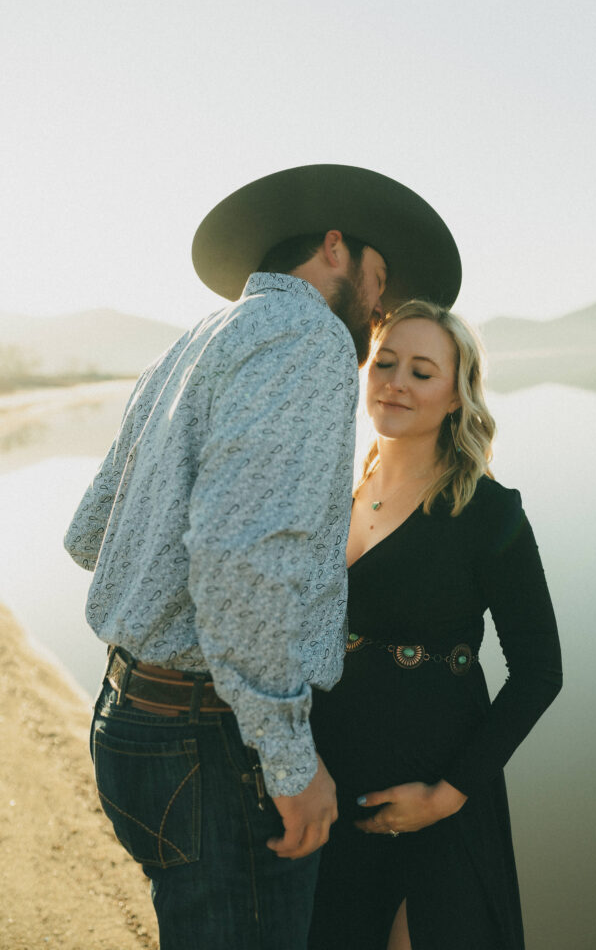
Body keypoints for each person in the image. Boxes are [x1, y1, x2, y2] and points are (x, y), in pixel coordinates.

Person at [63, 164, 462, 950]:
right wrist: (288, 761)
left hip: (127, 722)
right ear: (334, 247)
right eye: (379, 281)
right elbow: (246, 556)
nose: (380, 307)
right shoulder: (308, 336)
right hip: (212, 743)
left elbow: (86, 535)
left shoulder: (198, 339)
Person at [308, 300, 563, 950]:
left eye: (421, 371)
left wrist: (448, 795)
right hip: (334, 781)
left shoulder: (487, 510)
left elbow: (538, 670)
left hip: (436, 780)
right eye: (385, 362)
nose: (395, 381)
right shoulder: (334, 492)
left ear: (456, 396)